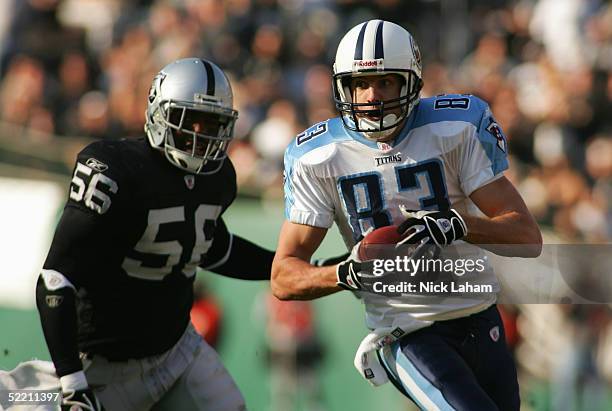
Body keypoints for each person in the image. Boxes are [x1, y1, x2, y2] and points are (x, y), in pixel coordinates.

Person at [271, 20, 542, 411]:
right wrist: (345, 273)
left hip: (482, 316)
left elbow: (527, 236)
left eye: (385, 82)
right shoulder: (319, 157)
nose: (371, 96)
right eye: (360, 84)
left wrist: (459, 225)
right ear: (342, 87)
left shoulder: (455, 128)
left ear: (411, 82)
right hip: (408, 330)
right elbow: (284, 276)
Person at [34, 57, 275, 411]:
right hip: (101, 364)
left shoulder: (217, 179)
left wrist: (290, 264)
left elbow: (213, 248)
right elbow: (55, 278)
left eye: (213, 124)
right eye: (190, 120)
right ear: (159, 114)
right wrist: (71, 380)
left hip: (178, 351)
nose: (200, 136)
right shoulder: (115, 171)